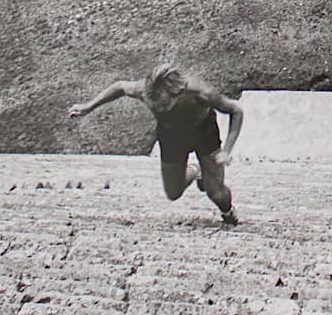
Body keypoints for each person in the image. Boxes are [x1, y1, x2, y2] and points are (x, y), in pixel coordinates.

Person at [69, 64, 243, 225]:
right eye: (155, 105)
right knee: (173, 193)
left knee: (216, 193)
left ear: (177, 92)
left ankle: (228, 212)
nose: (160, 108)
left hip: (204, 134)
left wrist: (226, 151)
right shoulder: (143, 90)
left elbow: (236, 110)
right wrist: (88, 107)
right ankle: (196, 171)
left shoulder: (201, 93)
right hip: (171, 136)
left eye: (165, 104)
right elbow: (120, 87)